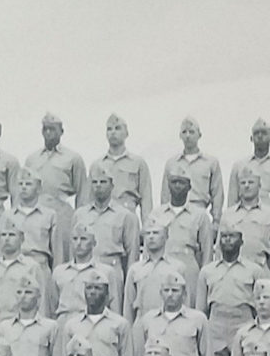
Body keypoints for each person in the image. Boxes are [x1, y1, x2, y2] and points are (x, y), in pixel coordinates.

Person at [197, 220, 267, 356]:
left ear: (241, 241)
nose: (227, 240)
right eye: (224, 237)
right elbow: (201, 310)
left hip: (243, 324)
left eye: (232, 237)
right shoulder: (207, 271)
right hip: (217, 326)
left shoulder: (254, 271)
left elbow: (263, 304)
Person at [54, 272, 135, 356]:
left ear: (107, 294)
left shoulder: (120, 324)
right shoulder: (72, 325)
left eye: (98, 288)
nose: (92, 292)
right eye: (89, 288)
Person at [25, 112, 87, 260]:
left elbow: (82, 193)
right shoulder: (32, 159)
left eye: (52, 129)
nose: (48, 133)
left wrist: (80, 222)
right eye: (45, 129)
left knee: (61, 255)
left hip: (61, 212)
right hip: (37, 212)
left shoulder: (73, 158)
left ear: (61, 131)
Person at [153, 164, 214, 298]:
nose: (178, 186)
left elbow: (207, 250)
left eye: (182, 182)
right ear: (168, 185)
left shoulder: (200, 215)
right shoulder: (157, 214)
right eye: (174, 182)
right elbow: (149, 246)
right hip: (163, 264)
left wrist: (206, 278)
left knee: (189, 303)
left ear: (189, 187)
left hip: (189, 266)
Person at [73, 164, 140, 283]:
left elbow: (132, 254)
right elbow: (73, 248)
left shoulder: (125, 216)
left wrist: (130, 282)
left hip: (113, 270)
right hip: (85, 270)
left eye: (103, 182)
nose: (98, 186)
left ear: (112, 186)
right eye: (95, 182)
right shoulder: (80, 215)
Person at [0, 220, 50, 331]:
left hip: (20, 324)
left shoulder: (32, 267)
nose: (7, 239)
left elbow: (42, 302)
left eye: (12, 235)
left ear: (22, 239)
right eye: (3, 235)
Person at [229, 118, 270, 230]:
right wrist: (231, 224)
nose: (260, 136)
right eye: (256, 133)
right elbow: (232, 199)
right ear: (251, 138)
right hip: (244, 218)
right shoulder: (240, 165)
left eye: (264, 133)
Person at [51, 222, 123, 317]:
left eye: (83, 239)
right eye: (75, 239)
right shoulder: (59, 272)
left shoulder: (106, 272)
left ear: (94, 243)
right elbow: (52, 306)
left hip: (91, 321)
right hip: (64, 320)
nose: (78, 243)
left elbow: (114, 307)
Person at [89, 114, 153, 219]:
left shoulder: (138, 163)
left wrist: (147, 225)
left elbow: (146, 200)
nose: (113, 132)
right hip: (103, 218)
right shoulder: (97, 165)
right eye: (109, 129)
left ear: (126, 133)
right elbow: (90, 199)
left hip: (128, 217)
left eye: (117, 128)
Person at [161, 116, 223, 221]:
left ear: (199, 135)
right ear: (180, 136)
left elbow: (217, 194)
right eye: (184, 132)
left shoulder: (211, 163)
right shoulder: (172, 163)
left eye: (191, 132)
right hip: (176, 214)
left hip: (200, 212)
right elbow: (165, 194)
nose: (188, 136)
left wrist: (216, 220)